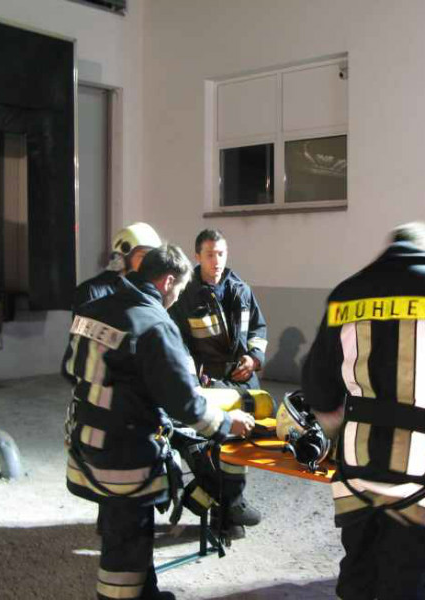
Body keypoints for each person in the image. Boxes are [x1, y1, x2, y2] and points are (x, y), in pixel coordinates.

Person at [301, 222, 425, 600]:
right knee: (410, 579)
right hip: (423, 474)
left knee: (359, 571)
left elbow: (318, 388)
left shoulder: (347, 293)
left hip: (357, 470)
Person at [62, 244, 256, 600]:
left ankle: (147, 592)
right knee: (125, 548)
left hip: (86, 444)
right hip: (125, 457)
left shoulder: (91, 310)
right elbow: (184, 404)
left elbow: (69, 370)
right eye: (178, 290)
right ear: (167, 281)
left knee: (125, 533)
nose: (177, 298)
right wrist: (228, 424)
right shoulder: (155, 324)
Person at [169, 228, 268, 536]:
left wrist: (253, 358)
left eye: (221, 253)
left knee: (240, 444)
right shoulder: (186, 296)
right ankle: (225, 510)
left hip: (242, 381)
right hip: (209, 383)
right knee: (214, 442)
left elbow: (259, 329)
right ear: (197, 256)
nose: (217, 261)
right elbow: (178, 342)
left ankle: (219, 509)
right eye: (210, 254)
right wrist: (192, 378)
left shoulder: (241, 289)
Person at [72, 221, 162, 310]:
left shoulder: (147, 292)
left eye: (153, 258)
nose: (149, 263)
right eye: (143, 256)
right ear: (124, 255)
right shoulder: (91, 292)